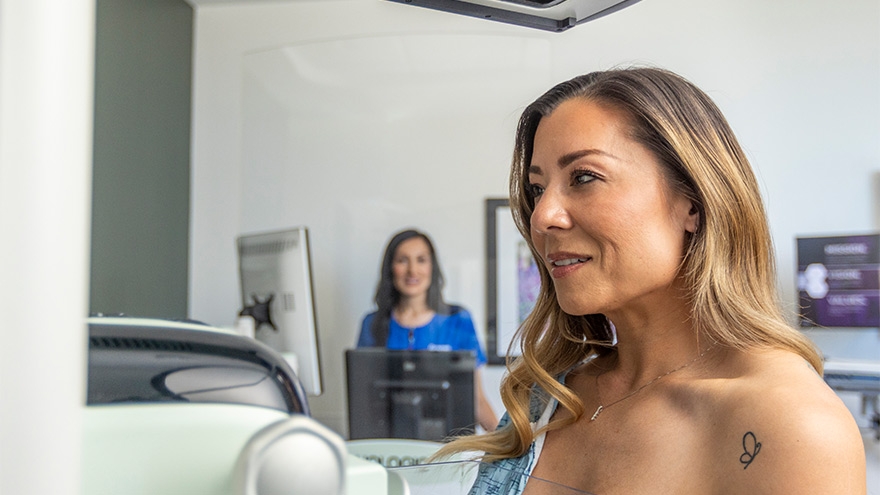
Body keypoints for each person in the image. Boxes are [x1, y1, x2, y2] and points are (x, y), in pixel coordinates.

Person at [435, 67, 866, 494]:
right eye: (536, 189)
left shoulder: (791, 425)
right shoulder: (545, 398)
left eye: (584, 177)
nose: (542, 217)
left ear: (693, 203)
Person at [357, 229, 499, 432]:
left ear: (433, 267)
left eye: (421, 260)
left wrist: (509, 448)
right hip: (390, 445)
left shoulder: (457, 320)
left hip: (448, 448)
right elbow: (363, 401)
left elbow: (476, 399)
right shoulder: (372, 324)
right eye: (402, 260)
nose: (412, 270)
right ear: (390, 268)